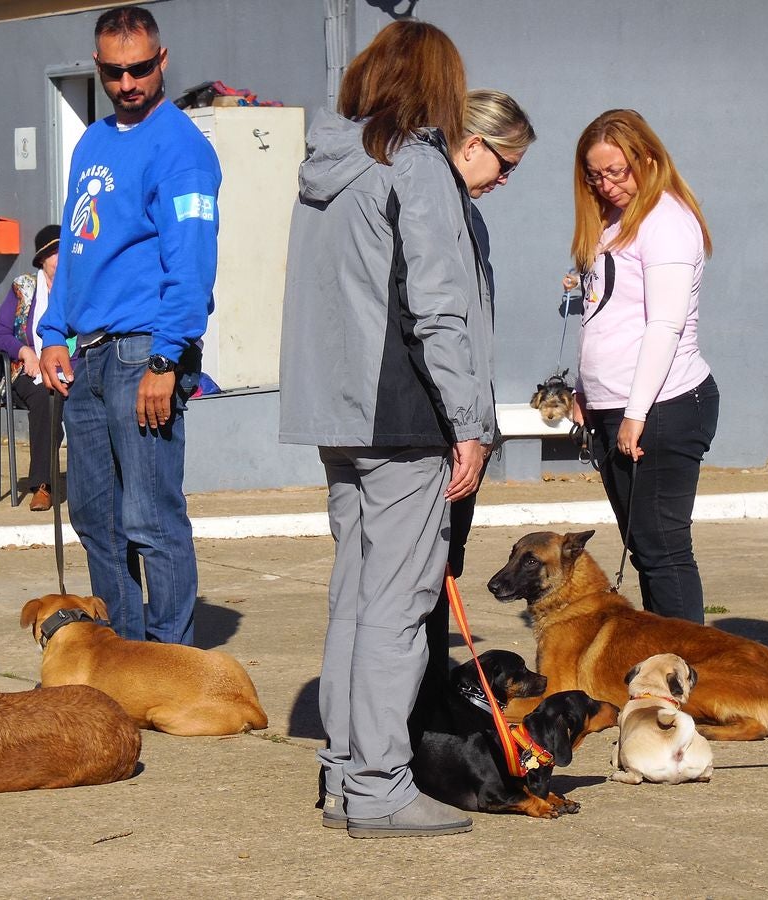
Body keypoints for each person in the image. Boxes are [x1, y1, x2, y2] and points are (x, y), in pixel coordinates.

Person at [279, 21, 495, 839]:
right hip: (403, 414)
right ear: (438, 86)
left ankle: (345, 774)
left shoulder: (326, 168)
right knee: (396, 609)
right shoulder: (418, 166)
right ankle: (375, 784)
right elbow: (439, 306)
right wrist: (471, 422)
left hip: (337, 415)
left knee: (354, 600)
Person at [37, 6, 219, 645]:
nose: (128, 83)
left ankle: (172, 658)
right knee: (95, 518)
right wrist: (53, 333)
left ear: (162, 61)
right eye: (114, 72)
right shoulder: (92, 140)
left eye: (140, 69)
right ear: (99, 68)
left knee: (150, 519)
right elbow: (77, 248)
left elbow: (191, 265)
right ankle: (121, 654)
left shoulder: (181, 149)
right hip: (85, 356)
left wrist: (166, 360)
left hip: (145, 349)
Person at [568, 109, 719, 624]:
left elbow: (664, 326)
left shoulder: (667, 221)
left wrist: (635, 413)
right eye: (595, 174)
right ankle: (660, 676)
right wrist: (585, 387)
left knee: (664, 552)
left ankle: (687, 682)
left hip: (664, 405)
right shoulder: (612, 223)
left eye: (617, 171)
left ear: (647, 159)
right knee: (646, 553)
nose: (606, 184)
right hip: (616, 408)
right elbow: (604, 313)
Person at [421, 89, 536, 694]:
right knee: (421, 574)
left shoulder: (472, 220)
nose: (507, 180)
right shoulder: (429, 214)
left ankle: (433, 697)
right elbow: (440, 329)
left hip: (466, 423)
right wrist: (466, 426)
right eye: (506, 165)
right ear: (472, 146)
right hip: (435, 427)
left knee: (446, 568)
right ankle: (417, 708)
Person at [0, 225, 64, 512]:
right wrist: (25, 352)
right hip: (27, 371)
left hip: (71, 367)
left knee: (84, 395)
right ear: (42, 259)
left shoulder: (78, 286)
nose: (58, 258)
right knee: (45, 400)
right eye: (52, 253)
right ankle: (42, 485)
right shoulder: (23, 288)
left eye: (62, 251)